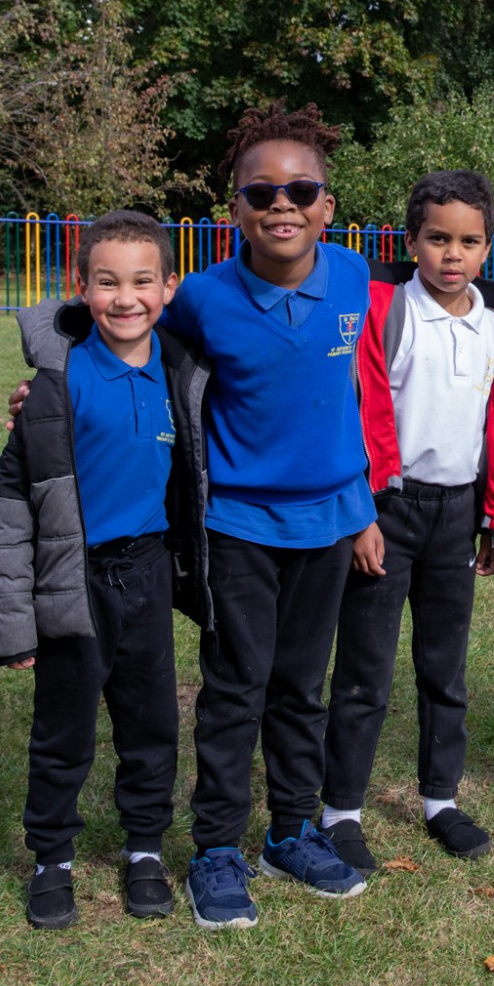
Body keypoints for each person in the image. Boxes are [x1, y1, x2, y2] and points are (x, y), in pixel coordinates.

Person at [163, 105, 383, 924]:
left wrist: (362, 508)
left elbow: (360, 392)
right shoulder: (203, 298)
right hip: (239, 527)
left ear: (328, 205)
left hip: (327, 526)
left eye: (301, 190)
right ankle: (216, 850)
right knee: (236, 687)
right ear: (236, 208)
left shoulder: (354, 277)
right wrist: (44, 389)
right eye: (261, 192)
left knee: (301, 686)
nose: (281, 204)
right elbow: (126, 343)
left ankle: (290, 830)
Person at [0, 211, 210, 930]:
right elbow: (9, 509)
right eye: (107, 282)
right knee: (64, 729)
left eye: (143, 281)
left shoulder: (185, 371)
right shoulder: (57, 382)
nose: (125, 298)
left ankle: (145, 848)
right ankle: (52, 858)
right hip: (72, 582)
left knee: (152, 723)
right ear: (80, 286)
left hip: (147, 575)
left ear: (168, 287)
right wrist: (12, 624)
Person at [320, 171, 494, 872]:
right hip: (388, 509)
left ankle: (441, 799)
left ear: (487, 247)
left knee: (445, 668)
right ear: (411, 240)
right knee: (366, 670)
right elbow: (357, 411)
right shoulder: (386, 308)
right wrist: (362, 514)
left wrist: (493, 518)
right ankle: (341, 810)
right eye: (438, 238)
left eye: (469, 242)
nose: (452, 254)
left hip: (457, 514)